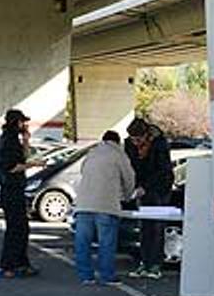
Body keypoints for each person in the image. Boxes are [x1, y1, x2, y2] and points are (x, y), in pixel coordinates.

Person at [73, 130, 138, 286]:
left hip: (83, 204)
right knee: (106, 243)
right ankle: (107, 275)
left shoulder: (92, 153)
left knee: (83, 242)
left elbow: (83, 172)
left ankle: (85, 275)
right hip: (106, 204)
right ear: (117, 142)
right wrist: (128, 196)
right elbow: (129, 178)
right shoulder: (118, 154)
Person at [126, 119, 174, 280]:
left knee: (157, 227)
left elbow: (163, 170)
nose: (135, 143)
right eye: (133, 139)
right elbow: (131, 166)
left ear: (146, 135)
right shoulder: (129, 144)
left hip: (160, 188)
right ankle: (145, 262)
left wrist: (145, 187)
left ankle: (155, 265)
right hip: (142, 188)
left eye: (138, 139)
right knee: (144, 228)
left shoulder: (159, 143)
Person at [0, 109, 39, 279]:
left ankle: (22, 263)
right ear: (16, 122)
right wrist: (33, 165)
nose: (25, 125)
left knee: (22, 228)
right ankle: (7, 266)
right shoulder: (8, 141)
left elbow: (23, 157)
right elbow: (12, 167)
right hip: (10, 190)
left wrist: (27, 141)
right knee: (15, 229)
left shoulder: (14, 139)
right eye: (22, 122)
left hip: (15, 189)